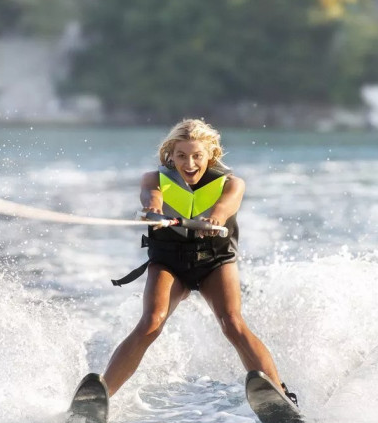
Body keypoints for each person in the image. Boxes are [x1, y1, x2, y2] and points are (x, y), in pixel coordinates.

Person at [105, 119, 296, 404]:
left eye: (197, 156)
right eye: (181, 155)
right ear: (170, 155)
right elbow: (151, 197)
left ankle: (281, 395)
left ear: (211, 155)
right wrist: (153, 211)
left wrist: (214, 219)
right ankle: (100, 396)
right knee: (151, 323)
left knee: (232, 323)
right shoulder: (153, 179)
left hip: (215, 262)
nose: (189, 163)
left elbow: (226, 205)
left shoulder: (232, 183)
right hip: (169, 263)